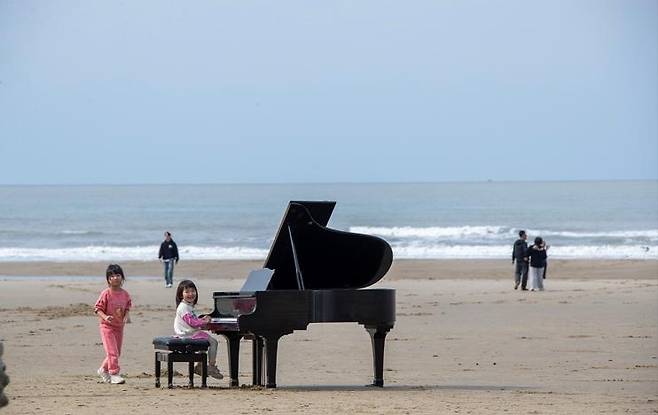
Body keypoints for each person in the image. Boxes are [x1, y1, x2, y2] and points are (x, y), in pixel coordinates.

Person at [174, 280, 224, 379]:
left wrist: (202, 320)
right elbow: (192, 322)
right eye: (187, 292)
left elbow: (193, 320)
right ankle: (211, 366)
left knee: (203, 341)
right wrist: (205, 322)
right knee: (213, 342)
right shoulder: (183, 307)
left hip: (188, 332)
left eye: (193, 291)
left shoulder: (187, 306)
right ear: (180, 295)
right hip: (187, 334)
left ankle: (199, 366)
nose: (190, 294)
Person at [94, 264, 132, 384]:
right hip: (107, 327)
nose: (115, 278)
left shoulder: (125, 294)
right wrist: (105, 317)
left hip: (119, 327)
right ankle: (114, 373)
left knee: (117, 353)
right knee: (112, 352)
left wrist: (126, 316)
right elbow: (97, 309)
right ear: (108, 280)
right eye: (112, 276)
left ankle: (103, 370)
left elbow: (127, 307)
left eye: (118, 275)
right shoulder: (106, 293)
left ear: (122, 277)